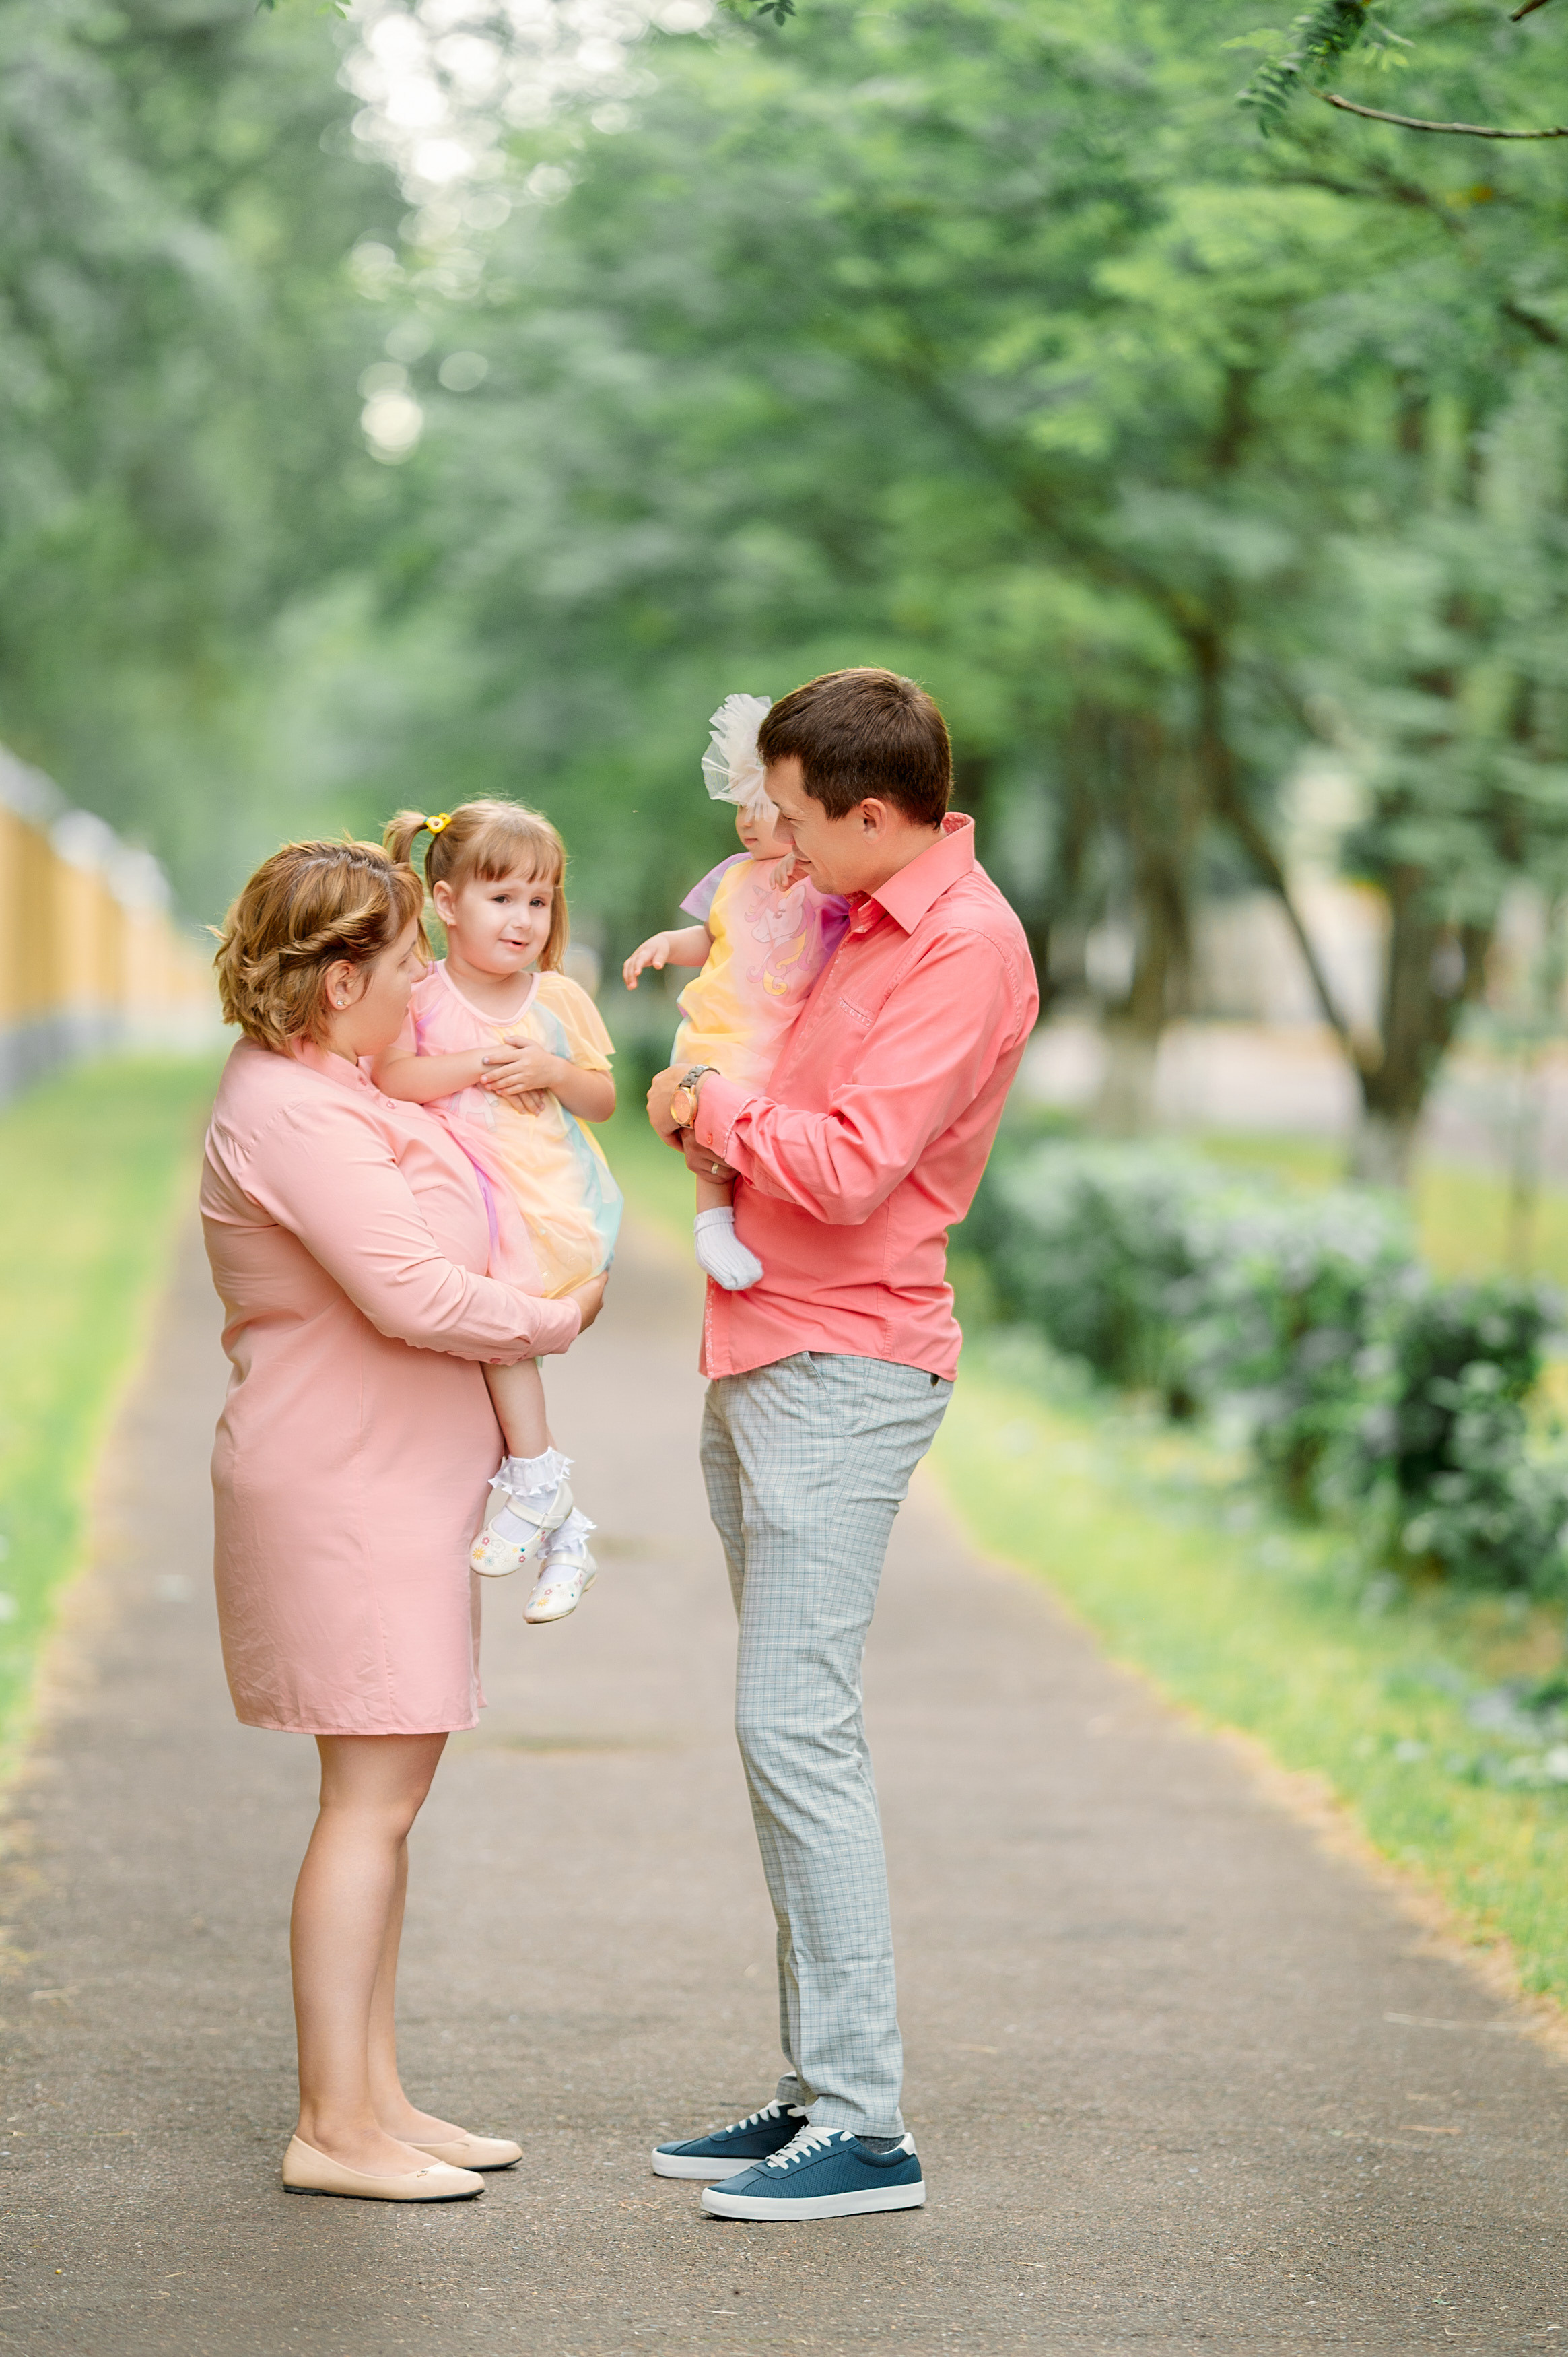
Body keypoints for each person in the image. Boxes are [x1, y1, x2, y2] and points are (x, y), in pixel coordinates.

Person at [644, 668, 1037, 2222]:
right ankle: (817, 2087)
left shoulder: (958, 945)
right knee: (773, 1730)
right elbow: (746, 1068)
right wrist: (708, 1099)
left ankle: (868, 2126)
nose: (776, 846)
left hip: (841, 1363)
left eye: (797, 820)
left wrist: (705, 1109)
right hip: (764, 1348)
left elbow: (853, 1168)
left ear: (873, 814)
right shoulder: (849, 909)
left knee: (793, 1733)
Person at [203, 838, 606, 2203]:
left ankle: (374, 2094)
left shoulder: (333, 1082)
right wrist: (558, 1317)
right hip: (343, 1486)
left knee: (390, 1800)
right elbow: (414, 1294)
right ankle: (332, 2122)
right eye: (405, 962)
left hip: (390, 1482)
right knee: (367, 1805)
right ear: (333, 984)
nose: (428, 980)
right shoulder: (295, 1113)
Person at [375, 802, 621, 1624]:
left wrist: (550, 1067)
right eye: (502, 898)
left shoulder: (554, 997)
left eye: (540, 900)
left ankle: (541, 1483)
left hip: (541, 1195)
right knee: (486, 1350)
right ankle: (561, 1525)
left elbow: (604, 1096)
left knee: (502, 1331)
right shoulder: (422, 992)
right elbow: (397, 1080)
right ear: (446, 903)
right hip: (465, 1187)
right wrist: (480, 1060)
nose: (524, 919)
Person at [622, 695, 848, 1294]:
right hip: (719, 1022)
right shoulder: (732, 875)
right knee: (707, 1116)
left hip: (777, 1029)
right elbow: (712, 934)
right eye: (740, 810)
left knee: (757, 1125)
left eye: (765, 810)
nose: (749, 823)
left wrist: (802, 865)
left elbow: (846, 926)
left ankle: (754, 1225)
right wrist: (668, 944)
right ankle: (711, 1221)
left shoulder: (820, 879)